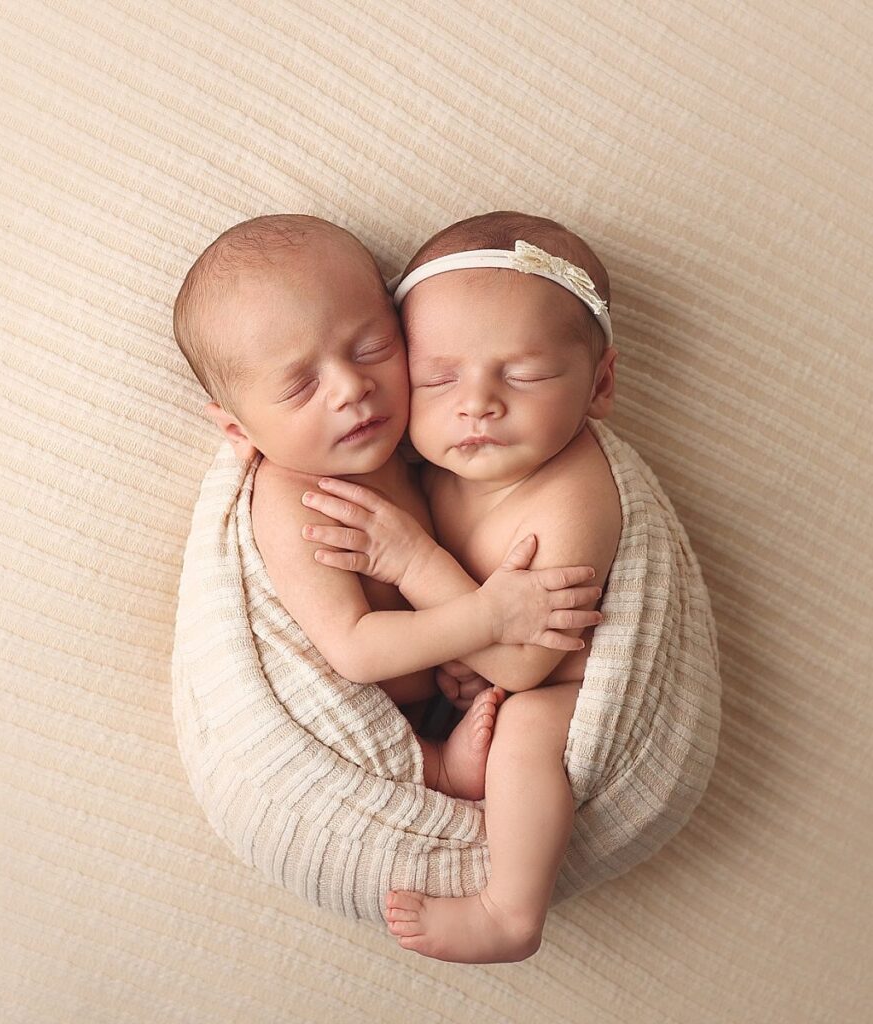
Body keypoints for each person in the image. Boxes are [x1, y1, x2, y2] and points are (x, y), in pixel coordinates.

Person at [171, 213, 604, 804]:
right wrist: (488, 619)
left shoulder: (414, 451)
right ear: (237, 426)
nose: (352, 387)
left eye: (373, 348)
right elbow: (353, 647)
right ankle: (437, 771)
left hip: (446, 684)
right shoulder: (297, 494)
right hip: (379, 715)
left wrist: (462, 655)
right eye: (300, 386)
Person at [298, 211, 621, 963]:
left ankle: (513, 911)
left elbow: (522, 664)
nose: (476, 402)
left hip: (551, 690)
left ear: (600, 385)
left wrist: (414, 564)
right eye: (438, 378)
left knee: (526, 736)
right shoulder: (431, 466)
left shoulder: (571, 491)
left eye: (524, 374)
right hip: (465, 684)